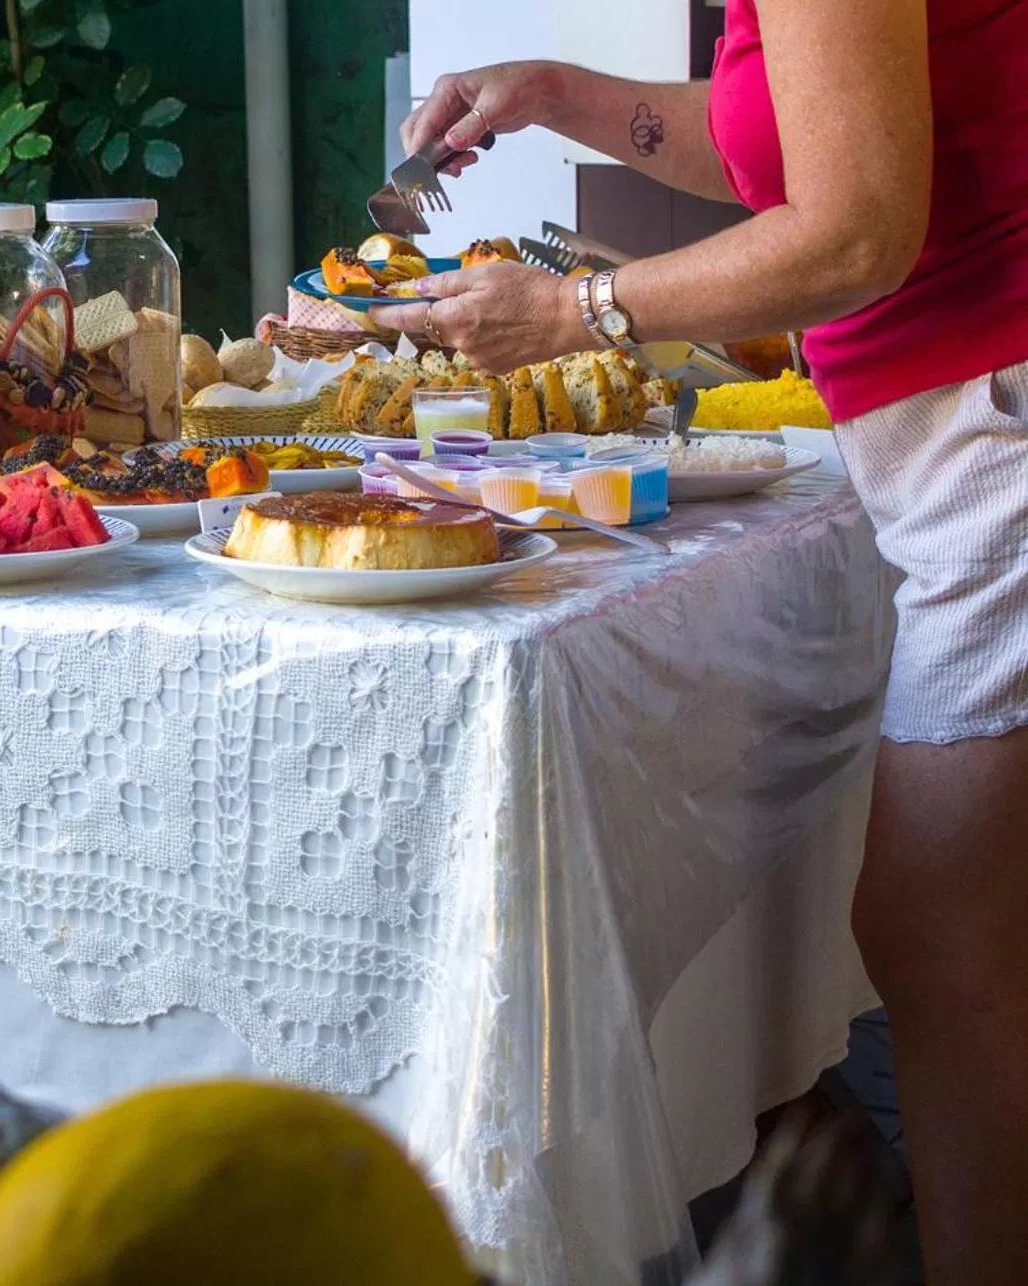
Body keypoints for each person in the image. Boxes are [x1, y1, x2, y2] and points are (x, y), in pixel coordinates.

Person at [389, 3, 1028, 1282]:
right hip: (964, 427)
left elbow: (851, 228)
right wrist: (557, 92)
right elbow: (799, 143)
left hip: (991, 422)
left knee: (939, 937)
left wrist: (577, 309)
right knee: (943, 933)